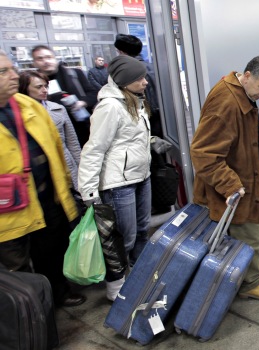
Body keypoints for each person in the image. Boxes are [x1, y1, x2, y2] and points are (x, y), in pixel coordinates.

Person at [190, 55, 259, 301]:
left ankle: (249, 264)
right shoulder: (226, 102)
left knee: (249, 228)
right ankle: (249, 282)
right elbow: (203, 153)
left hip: (244, 173)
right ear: (247, 75)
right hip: (235, 183)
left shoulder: (242, 91)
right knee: (246, 230)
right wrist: (230, 184)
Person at [78, 55, 170, 301]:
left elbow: (125, 138)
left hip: (141, 176)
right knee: (123, 238)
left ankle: (139, 274)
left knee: (142, 231)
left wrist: (150, 141)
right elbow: (94, 148)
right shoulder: (110, 106)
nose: (145, 82)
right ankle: (116, 286)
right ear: (124, 82)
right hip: (119, 183)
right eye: (139, 78)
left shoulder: (135, 101)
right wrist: (88, 191)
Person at [0, 51, 85, 307]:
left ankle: (57, 295)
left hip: (48, 198)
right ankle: (28, 316)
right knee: (17, 269)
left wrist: (69, 188)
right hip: (8, 213)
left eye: (12, 68)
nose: (14, 75)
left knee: (52, 252)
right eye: (3, 71)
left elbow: (59, 151)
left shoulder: (30, 107)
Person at [18, 71, 82, 190]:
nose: (44, 90)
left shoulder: (58, 109)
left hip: (66, 164)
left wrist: (82, 169)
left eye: (45, 86)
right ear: (24, 88)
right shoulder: (17, 114)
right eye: (38, 87)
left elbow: (72, 142)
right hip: (38, 170)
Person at [31, 45, 98, 147]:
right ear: (34, 62)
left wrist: (83, 102)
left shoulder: (74, 73)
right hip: (54, 131)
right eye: (40, 58)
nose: (46, 61)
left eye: (49, 57)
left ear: (55, 58)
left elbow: (93, 93)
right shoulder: (32, 82)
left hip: (82, 128)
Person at [114, 34, 162, 138]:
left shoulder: (127, 71)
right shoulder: (151, 66)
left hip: (143, 116)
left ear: (122, 52)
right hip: (160, 114)